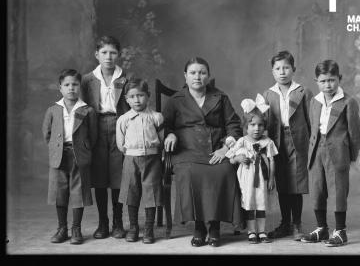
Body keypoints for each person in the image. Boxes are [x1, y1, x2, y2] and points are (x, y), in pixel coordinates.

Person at [162, 57, 243, 247]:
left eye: (202, 72)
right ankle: (199, 226)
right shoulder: (176, 100)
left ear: (208, 76)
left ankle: (214, 226)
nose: (197, 76)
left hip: (216, 148)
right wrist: (170, 134)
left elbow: (233, 125)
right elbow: (165, 125)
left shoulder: (220, 97)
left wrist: (225, 149)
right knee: (190, 172)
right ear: (185, 76)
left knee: (225, 170)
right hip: (186, 150)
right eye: (193, 72)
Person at [300, 60, 360, 247]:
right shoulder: (315, 101)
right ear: (316, 81)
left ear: (339, 79)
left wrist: (350, 155)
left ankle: (340, 231)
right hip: (316, 151)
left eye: (332, 80)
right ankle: (321, 229)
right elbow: (313, 128)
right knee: (317, 190)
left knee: (338, 191)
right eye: (323, 81)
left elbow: (356, 132)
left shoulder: (348, 102)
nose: (328, 85)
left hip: (337, 153)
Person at [81, 35, 130, 239]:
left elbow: (132, 105)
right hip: (96, 127)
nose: (108, 57)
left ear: (118, 55)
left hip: (120, 126)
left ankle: (118, 221)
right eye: (104, 53)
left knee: (118, 175)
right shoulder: (87, 80)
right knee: (100, 176)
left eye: (112, 53)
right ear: (97, 55)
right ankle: (103, 222)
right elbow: (81, 108)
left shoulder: (126, 77)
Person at [42, 69, 97, 244]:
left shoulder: (87, 110)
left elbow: (93, 136)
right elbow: (47, 133)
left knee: (78, 192)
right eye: (67, 85)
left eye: (74, 84)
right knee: (60, 192)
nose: (71, 88)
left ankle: (76, 229)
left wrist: (85, 149)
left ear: (80, 86)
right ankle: (61, 228)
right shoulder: (53, 110)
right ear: (60, 88)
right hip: (59, 155)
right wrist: (56, 149)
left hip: (78, 155)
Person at [263, 51, 313, 241]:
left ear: (293, 69)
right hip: (276, 142)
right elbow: (263, 120)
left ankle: (297, 224)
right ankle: (285, 223)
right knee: (282, 183)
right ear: (272, 71)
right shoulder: (269, 94)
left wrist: (313, 142)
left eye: (286, 68)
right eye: (277, 68)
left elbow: (312, 120)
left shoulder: (303, 92)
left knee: (296, 183)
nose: (282, 72)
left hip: (298, 141)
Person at [116, 78, 164, 244]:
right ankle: (134, 228)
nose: (137, 100)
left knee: (151, 193)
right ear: (126, 99)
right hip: (131, 159)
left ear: (148, 96)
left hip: (152, 159)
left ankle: (149, 229)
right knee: (132, 192)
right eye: (132, 96)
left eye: (141, 95)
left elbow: (162, 138)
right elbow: (120, 144)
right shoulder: (123, 119)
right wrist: (132, 152)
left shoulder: (156, 117)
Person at [226, 94, 278, 244]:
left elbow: (272, 160)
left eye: (260, 125)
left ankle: (261, 231)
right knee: (249, 204)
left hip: (263, 179)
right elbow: (230, 158)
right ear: (245, 126)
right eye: (252, 125)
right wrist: (238, 158)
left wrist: (272, 179)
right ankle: (251, 231)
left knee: (261, 204)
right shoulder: (242, 141)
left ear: (264, 126)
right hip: (247, 180)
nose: (256, 129)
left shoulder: (267, 142)